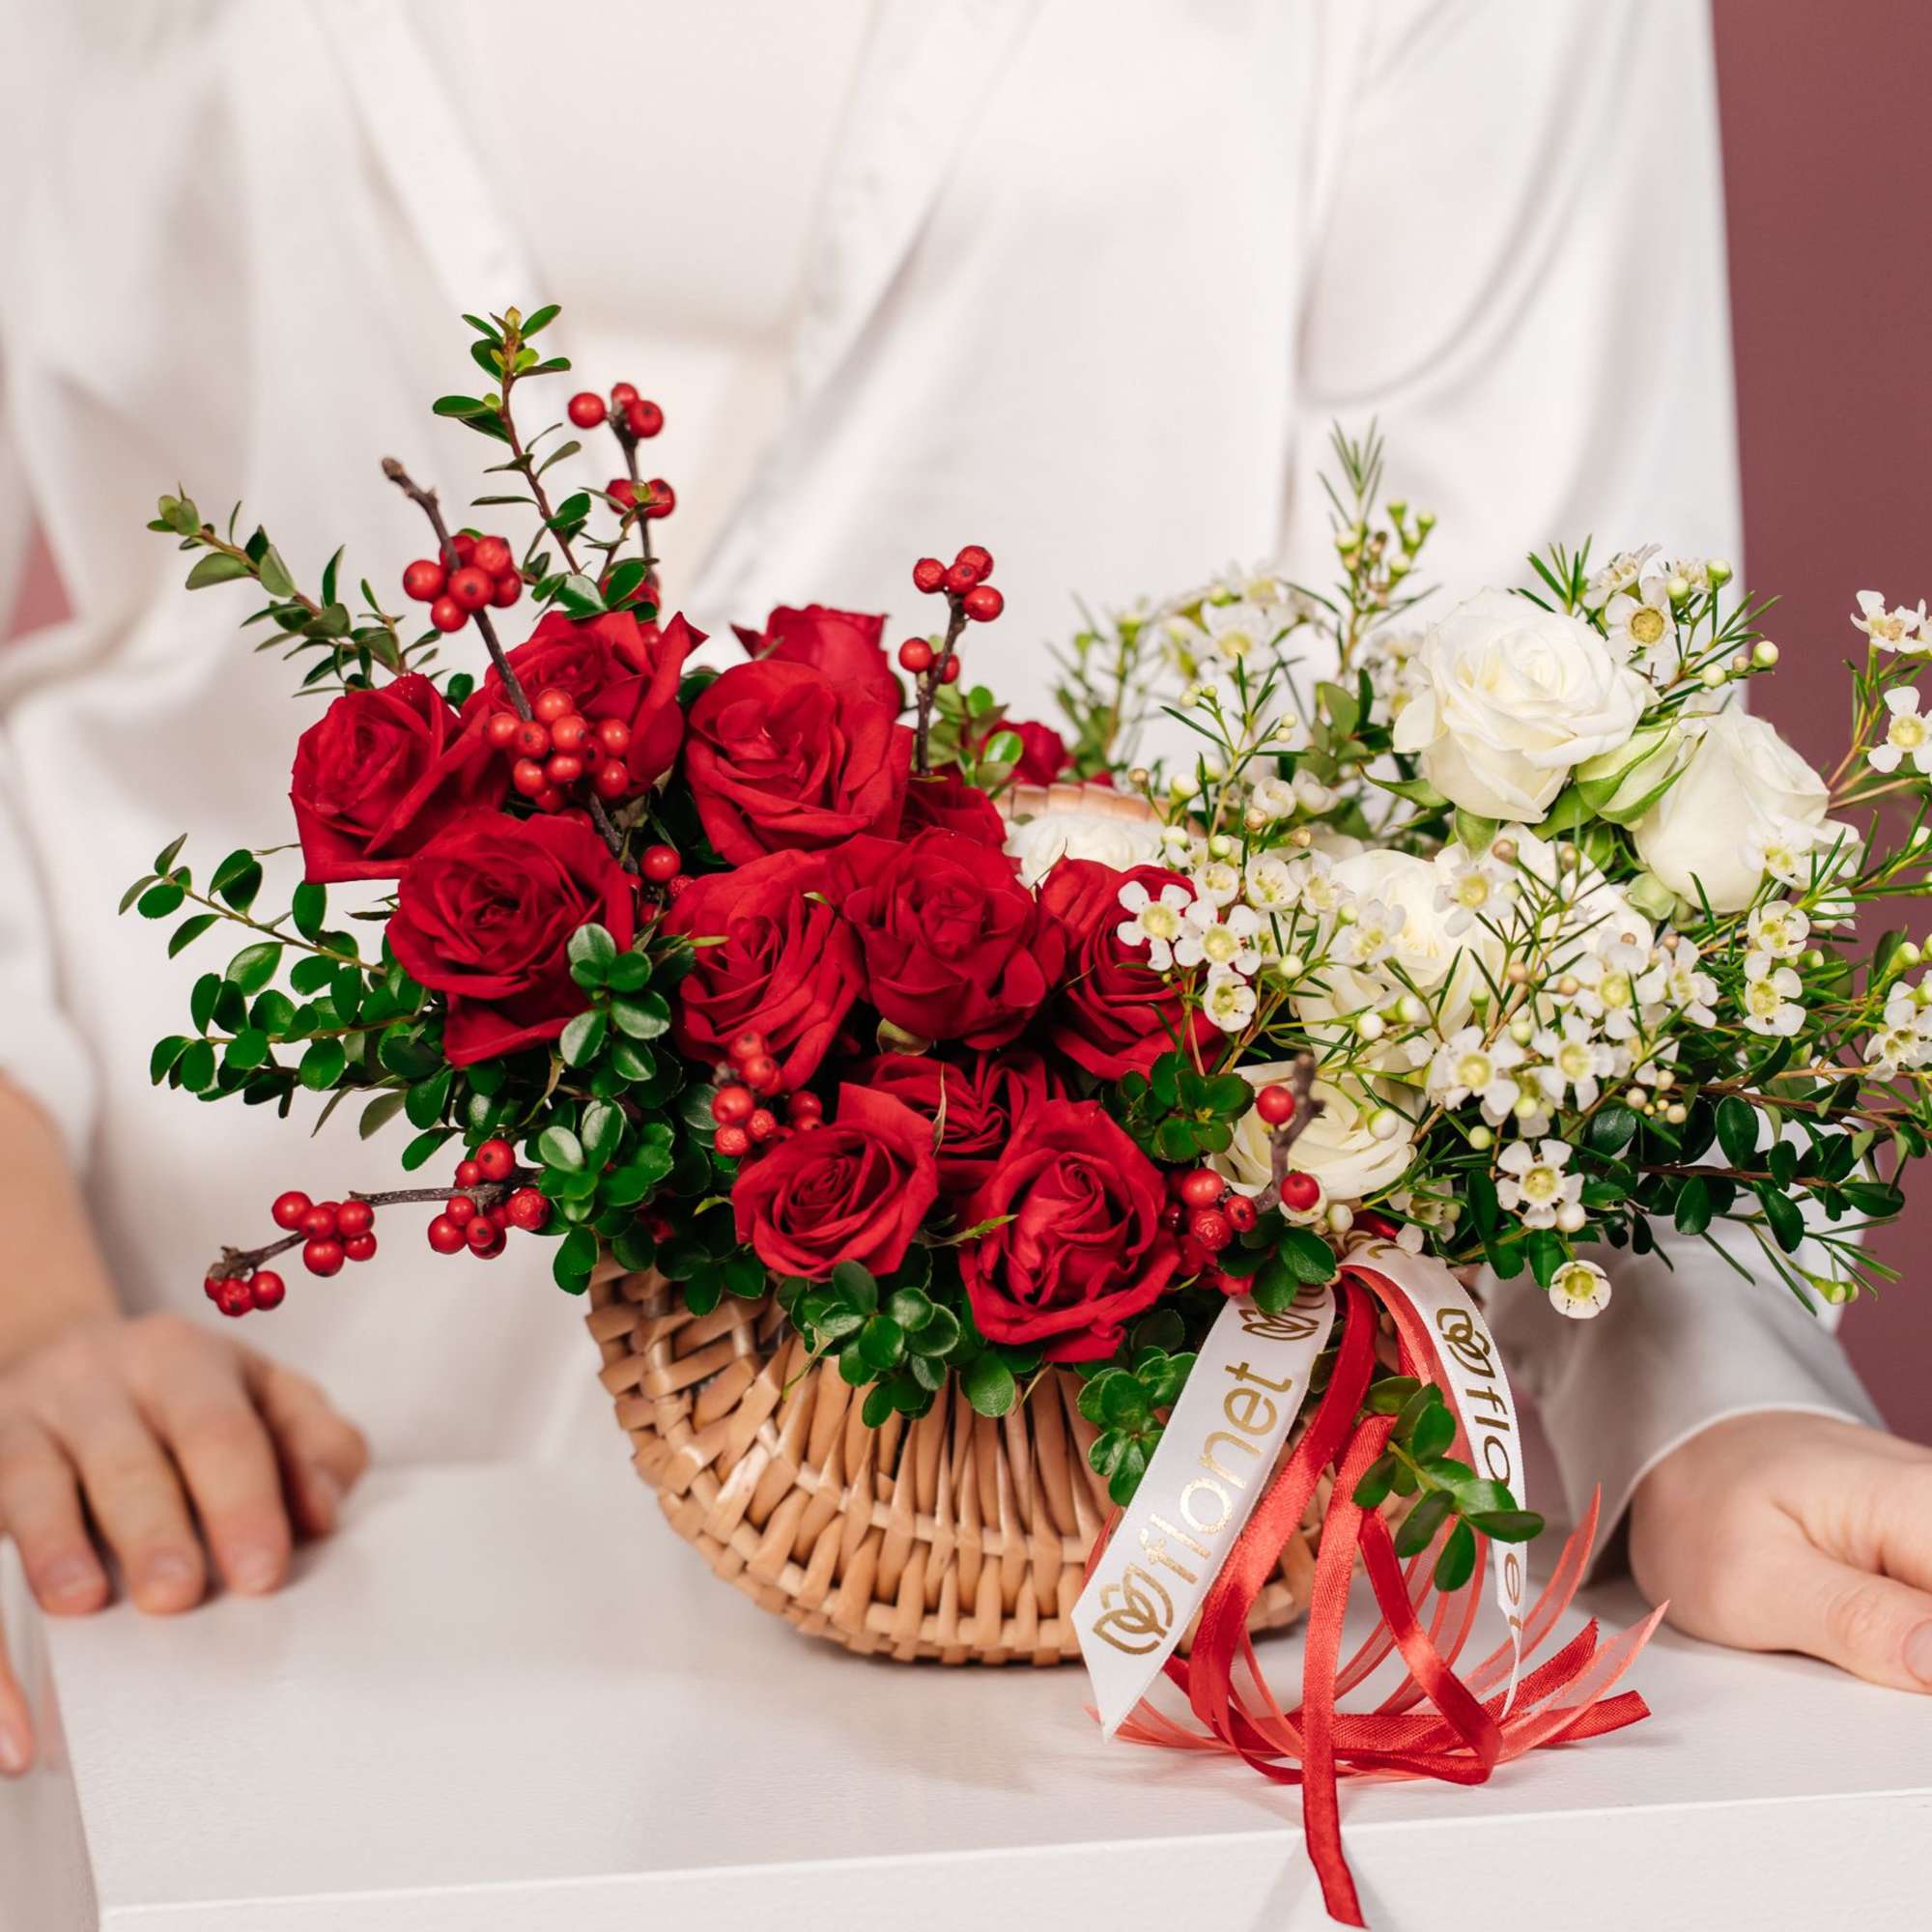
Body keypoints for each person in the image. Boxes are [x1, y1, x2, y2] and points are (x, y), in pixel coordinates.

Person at [0, 0, 1927, 1777]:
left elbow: (1552, 765)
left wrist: (1689, 1407)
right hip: (224, 1501)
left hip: (1096, 1565)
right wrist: (27, 1324)